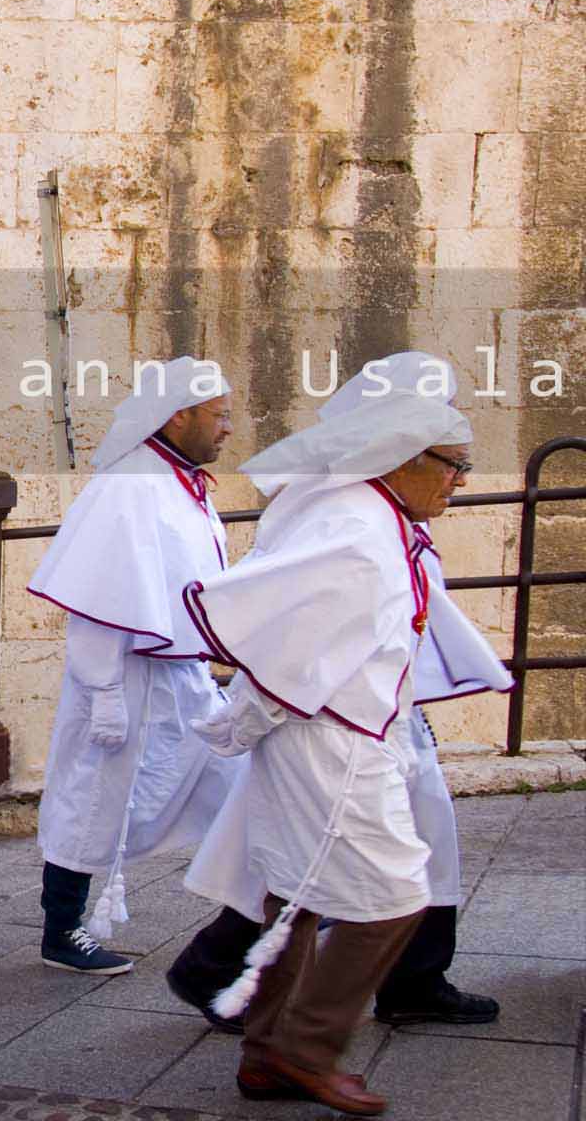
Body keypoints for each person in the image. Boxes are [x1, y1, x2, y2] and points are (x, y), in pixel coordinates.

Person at [168, 353, 513, 1032]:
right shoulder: (346, 510)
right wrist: (247, 718)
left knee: (330, 861)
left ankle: (280, 1011)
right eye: (448, 454)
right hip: (332, 718)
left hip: (365, 706)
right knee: (356, 872)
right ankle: (274, 1010)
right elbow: (300, 627)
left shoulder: (375, 503)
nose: (459, 474)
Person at [25, 355, 240, 974]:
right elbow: (97, 598)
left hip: (184, 677)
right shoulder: (130, 485)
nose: (227, 428)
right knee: (93, 799)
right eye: (219, 416)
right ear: (179, 416)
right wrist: (104, 691)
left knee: (242, 783)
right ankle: (62, 930)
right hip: (128, 676)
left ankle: (275, 906)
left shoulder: (180, 484)